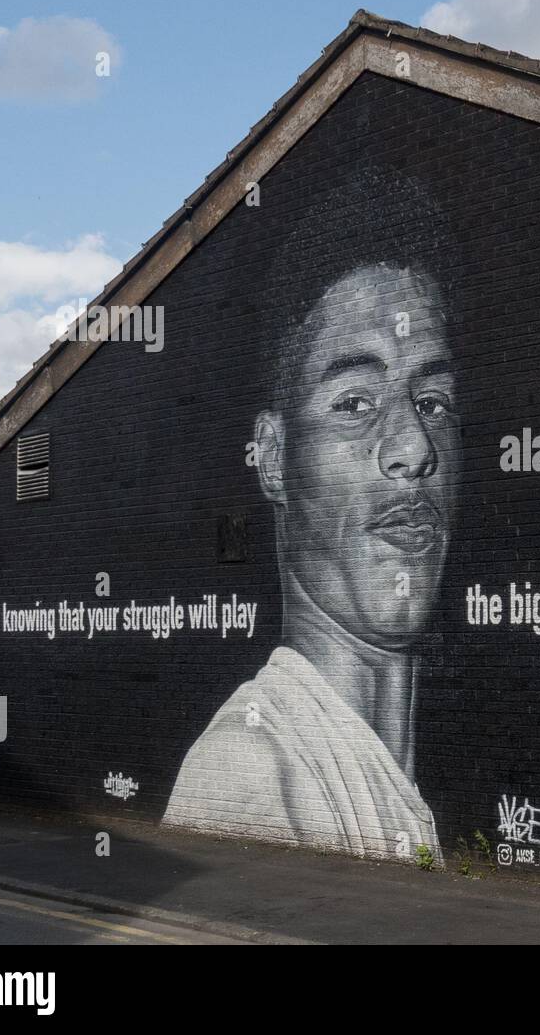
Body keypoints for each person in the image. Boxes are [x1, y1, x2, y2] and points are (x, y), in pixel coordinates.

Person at [163, 166, 460, 861]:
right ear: (272, 457)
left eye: (436, 401)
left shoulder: (393, 784)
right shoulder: (250, 769)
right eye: (355, 403)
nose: (414, 447)